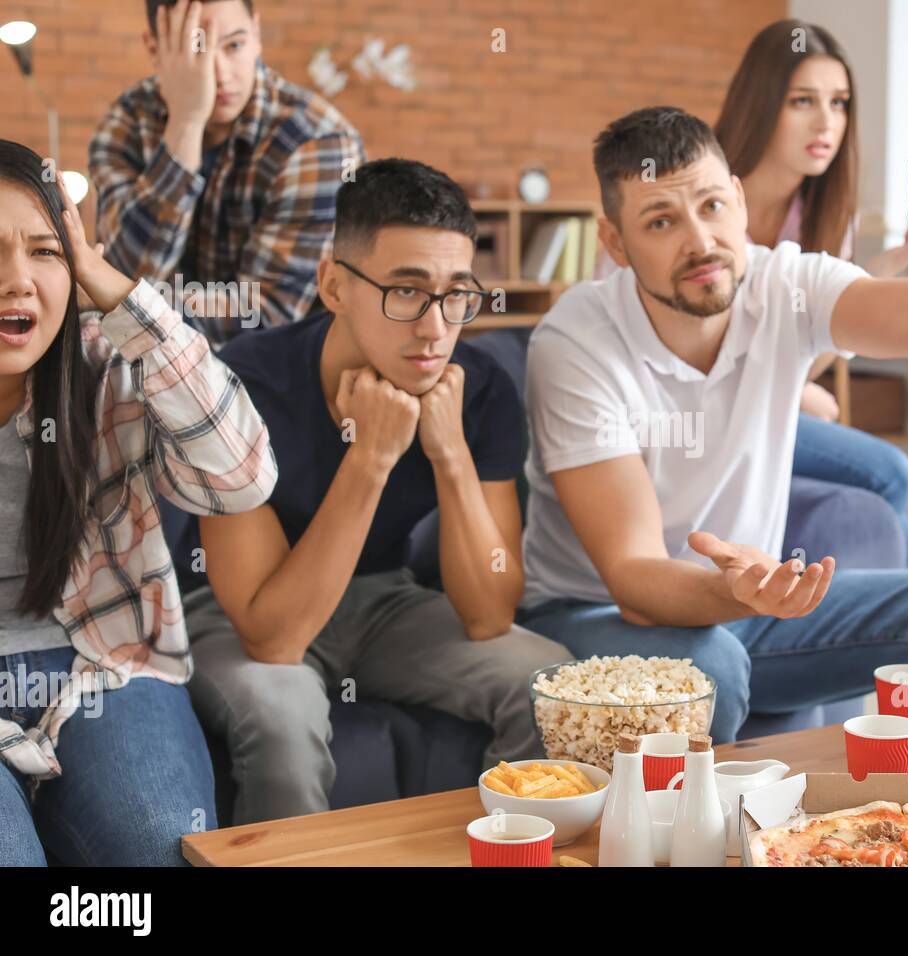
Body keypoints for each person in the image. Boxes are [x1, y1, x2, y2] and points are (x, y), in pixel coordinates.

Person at [517, 106, 908, 743]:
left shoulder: (786, 283)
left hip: (752, 603)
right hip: (596, 613)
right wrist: (747, 592)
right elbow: (634, 577)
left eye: (711, 206)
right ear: (614, 244)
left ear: (739, 199)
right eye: (661, 221)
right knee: (708, 671)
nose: (700, 242)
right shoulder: (576, 341)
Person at [178, 158, 571, 826]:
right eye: (406, 291)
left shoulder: (481, 390)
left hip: (385, 603)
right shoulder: (243, 384)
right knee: (282, 719)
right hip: (237, 608)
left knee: (549, 684)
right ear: (334, 285)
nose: (434, 327)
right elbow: (275, 639)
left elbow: (489, 617)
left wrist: (448, 453)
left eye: (455, 294)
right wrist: (373, 456)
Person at [0, 139, 276, 865]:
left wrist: (112, 288)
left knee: (158, 841)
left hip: (102, 663)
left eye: (45, 252)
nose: (17, 281)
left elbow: (241, 475)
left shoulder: (104, 364)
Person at [716, 19, 908, 563]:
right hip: (700, 413)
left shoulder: (822, 219)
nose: (826, 122)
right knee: (893, 476)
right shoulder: (705, 201)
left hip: (766, 407)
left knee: (901, 526)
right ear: (760, 104)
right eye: (803, 101)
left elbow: (806, 348)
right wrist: (796, 393)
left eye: (839, 103)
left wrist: (895, 263)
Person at [88, 0, 365, 344]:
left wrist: (127, 301)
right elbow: (125, 270)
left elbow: (263, 314)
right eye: (196, 50)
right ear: (155, 49)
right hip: (146, 367)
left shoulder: (318, 141)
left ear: (257, 34)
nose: (218, 74)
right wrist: (186, 125)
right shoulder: (129, 119)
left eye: (234, 45)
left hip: (276, 378)